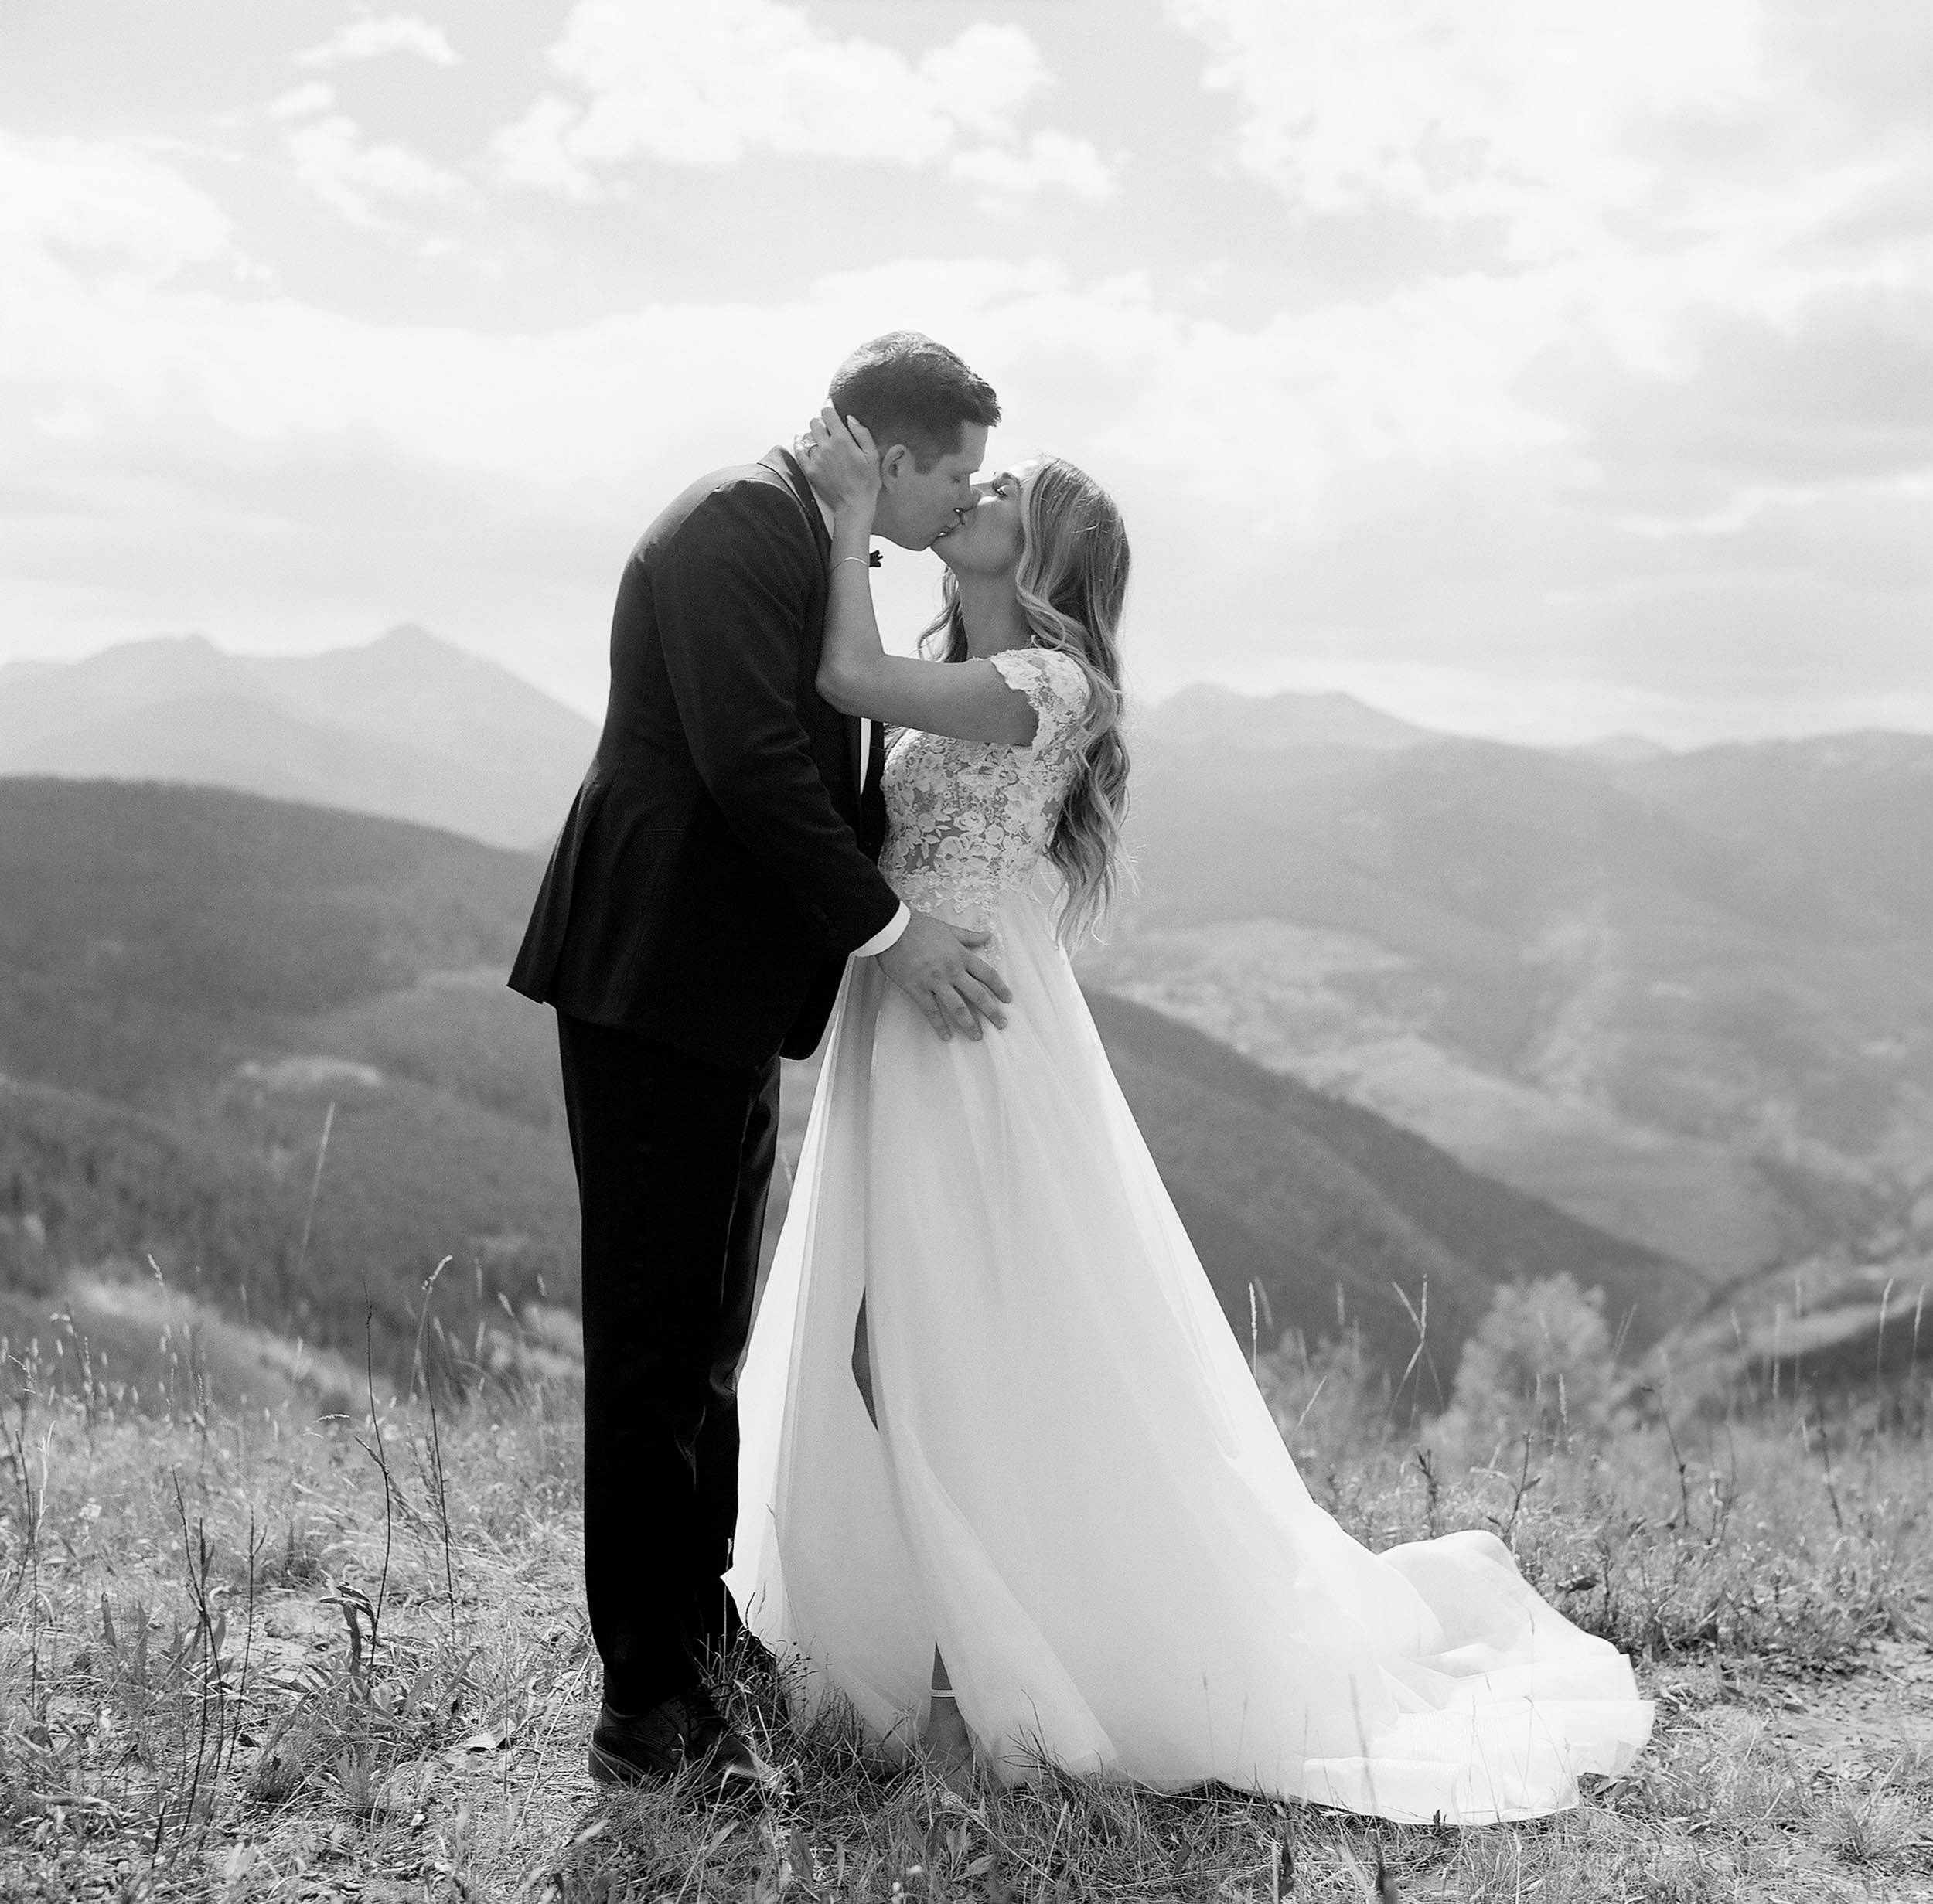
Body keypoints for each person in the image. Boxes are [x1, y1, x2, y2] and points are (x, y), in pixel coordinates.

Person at [726, 411, 1654, 1823]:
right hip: (909, 1014)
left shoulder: (1050, 679)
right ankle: (932, 1643)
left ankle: (973, 1692)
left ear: (1049, 552)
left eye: (1007, 489)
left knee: (939, 1328)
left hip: (971, 1029)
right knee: (880, 1329)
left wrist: (850, 510)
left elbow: (836, 675)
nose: (978, 489)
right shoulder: (956, 668)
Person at [508, 334, 1012, 1797]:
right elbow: (747, 760)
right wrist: (892, 934)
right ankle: (644, 1708)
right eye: (957, 472)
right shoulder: (740, 519)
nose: (958, 502)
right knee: (654, 1342)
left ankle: (702, 1634)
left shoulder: (813, 535)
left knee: (708, 1339)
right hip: (653, 976)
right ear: (891, 450)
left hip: (719, 992)